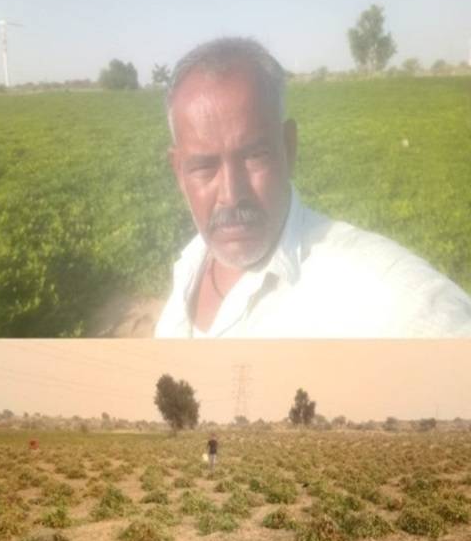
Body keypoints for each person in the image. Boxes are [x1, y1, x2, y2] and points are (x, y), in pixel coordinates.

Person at [154, 37, 471, 338]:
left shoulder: (374, 290)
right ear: (179, 172)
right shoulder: (191, 263)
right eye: (204, 167)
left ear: (289, 148)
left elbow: (433, 317)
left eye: (254, 155)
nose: (231, 195)